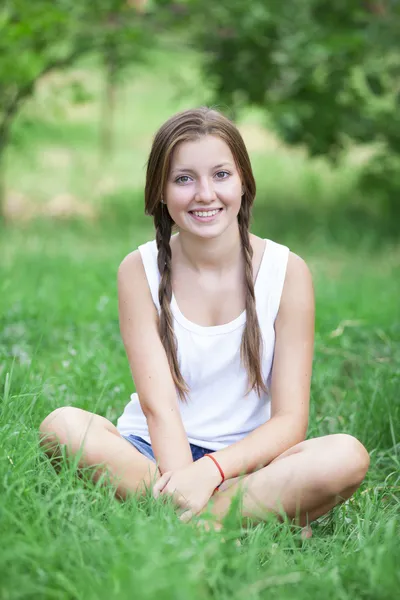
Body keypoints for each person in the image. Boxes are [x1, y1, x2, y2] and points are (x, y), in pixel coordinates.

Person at [39, 107, 370, 537]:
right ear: (160, 190)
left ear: (244, 182)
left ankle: (190, 517)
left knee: (345, 456)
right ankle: (234, 520)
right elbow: (158, 405)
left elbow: (290, 420)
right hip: (151, 456)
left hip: (247, 463)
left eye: (220, 174)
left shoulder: (287, 272)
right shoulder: (138, 270)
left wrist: (212, 470)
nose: (204, 194)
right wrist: (184, 479)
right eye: (184, 179)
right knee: (61, 427)